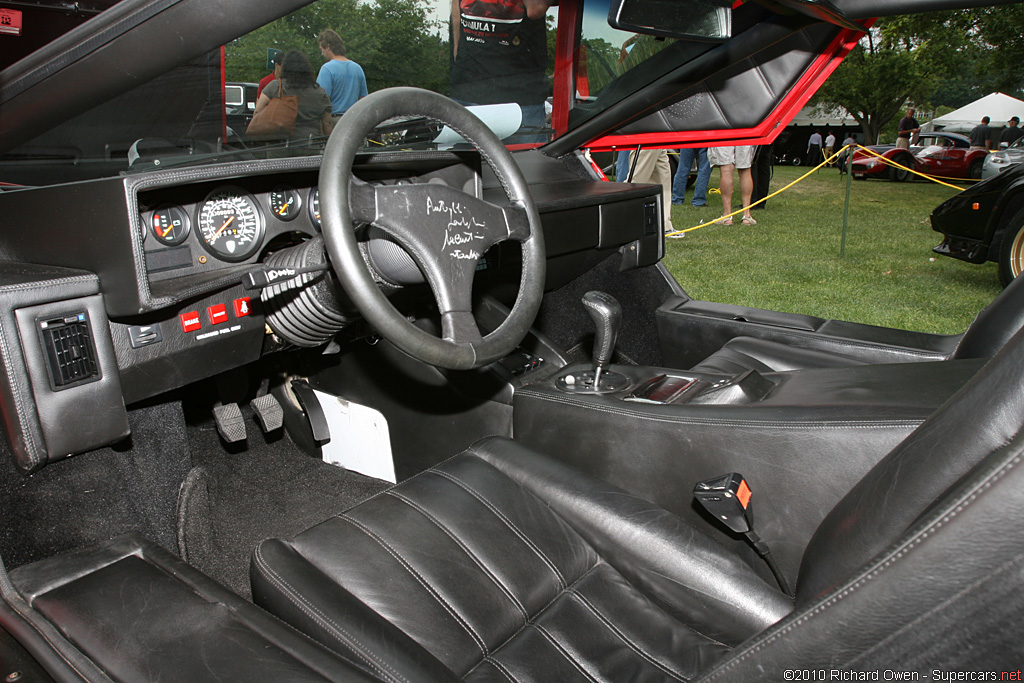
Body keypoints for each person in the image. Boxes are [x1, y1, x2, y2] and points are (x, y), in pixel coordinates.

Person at [450, 0, 552, 144]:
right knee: (464, 165)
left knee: (526, 163)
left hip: (520, 99)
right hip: (468, 87)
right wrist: (457, 53)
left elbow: (535, 8)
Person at [254, 49, 332, 149]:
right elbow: (327, 123)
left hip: (279, 146)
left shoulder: (274, 86)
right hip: (309, 144)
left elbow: (257, 112)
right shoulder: (319, 92)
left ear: (285, 68)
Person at [316, 29, 368, 126]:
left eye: (321, 49)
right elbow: (363, 99)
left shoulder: (327, 69)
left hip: (335, 122)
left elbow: (321, 101)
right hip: (355, 121)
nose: (322, 54)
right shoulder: (357, 68)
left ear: (327, 47)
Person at [628, 149, 674, 234]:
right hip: (646, 139)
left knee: (663, 180)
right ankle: (621, 218)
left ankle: (664, 225)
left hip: (659, 139)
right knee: (636, 183)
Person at [709, 145, 756, 226]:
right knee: (745, 169)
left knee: (726, 169)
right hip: (745, 133)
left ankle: (727, 216)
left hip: (724, 133)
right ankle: (746, 215)